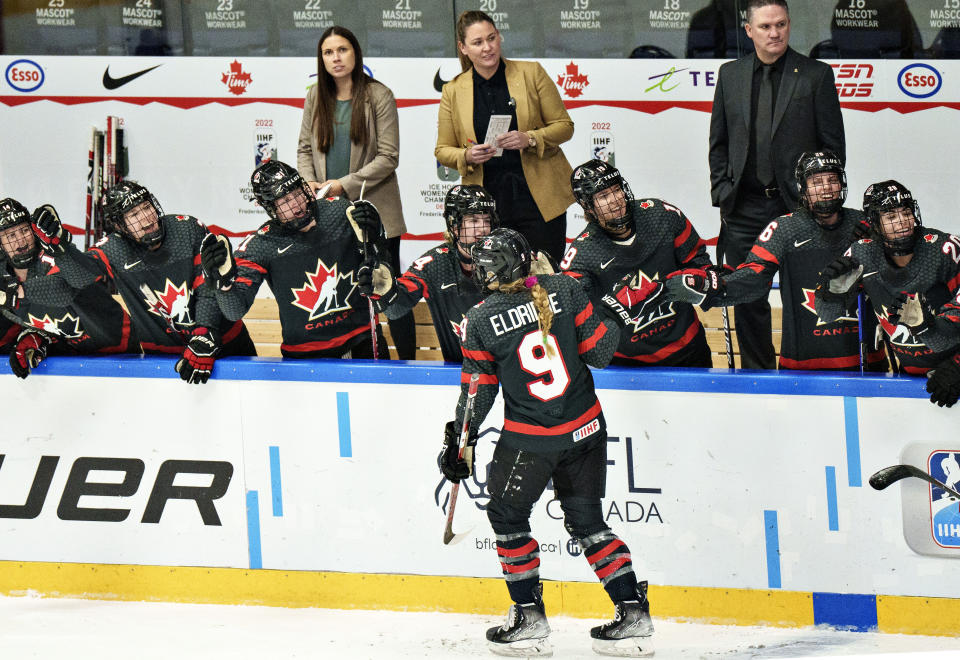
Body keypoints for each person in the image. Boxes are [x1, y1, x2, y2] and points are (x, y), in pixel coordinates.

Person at [440, 228, 654, 658]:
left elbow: (478, 392)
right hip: (587, 430)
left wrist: (459, 443)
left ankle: (529, 616)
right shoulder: (564, 288)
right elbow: (600, 352)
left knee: (507, 516)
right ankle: (633, 611)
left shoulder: (480, 318)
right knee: (588, 522)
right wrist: (615, 311)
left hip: (532, 442)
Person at [709, 0, 845, 369]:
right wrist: (722, 192)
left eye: (781, 24)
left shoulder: (815, 75)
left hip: (799, 208)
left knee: (803, 295)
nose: (775, 33)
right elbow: (718, 142)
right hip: (743, 207)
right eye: (766, 26)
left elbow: (833, 146)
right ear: (749, 30)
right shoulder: (730, 74)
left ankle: (804, 369)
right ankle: (759, 377)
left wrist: (820, 200)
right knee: (747, 299)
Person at [663, 152, 887, 371]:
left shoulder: (865, 222)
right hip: (803, 367)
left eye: (832, 180)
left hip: (868, 365)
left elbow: (903, 271)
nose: (826, 187)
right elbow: (754, 276)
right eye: (817, 181)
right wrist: (714, 287)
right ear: (803, 188)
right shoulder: (784, 229)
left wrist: (879, 243)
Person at [47, 182, 256, 384]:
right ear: (120, 226)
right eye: (134, 215)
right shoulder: (114, 248)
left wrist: (204, 334)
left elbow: (207, 285)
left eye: (146, 207)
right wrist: (61, 248)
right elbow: (79, 277)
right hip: (164, 358)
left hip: (225, 343)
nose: (146, 216)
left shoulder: (186, 228)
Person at [297, 25, 415, 360]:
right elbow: (304, 149)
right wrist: (312, 183)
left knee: (389, 289)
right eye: (328, 52)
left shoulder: (379, 95)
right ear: (321, 59)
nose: (336, 58)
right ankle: (369, 363)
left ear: (355, 53)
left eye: (342, 50)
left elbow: (388, 157)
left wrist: (342, 185)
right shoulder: (314, 96)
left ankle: (408, 363)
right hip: (329, 213)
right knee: (347, 293)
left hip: (376, 213)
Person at [200, 160, 387, 359]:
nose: (296, 204)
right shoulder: (261, 244)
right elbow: (234, 312)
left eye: (297, 193)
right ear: (270, 207)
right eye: (285, 201)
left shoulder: (340, 211)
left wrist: (377, 236)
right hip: (305, 355)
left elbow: (381, 267)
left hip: (363, 340)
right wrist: (225, 284)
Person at [435, 10, 575, 264]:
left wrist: (530, 138)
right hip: (487, 206)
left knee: (546, 277)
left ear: (499, 37)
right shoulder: (453, 90)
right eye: (477, 43)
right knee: (496, 283)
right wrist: (466, 155)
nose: (487, 48)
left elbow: (564, 126)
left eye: (492, 38)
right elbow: (443, 150)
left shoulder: (531, 73)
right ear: (463, 48)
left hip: (539, 200)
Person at [562, 159, 714, 367]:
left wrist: (701, 280)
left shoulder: (663, 215)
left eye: (616, 190)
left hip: (687, 348)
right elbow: (576, 317)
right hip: (627, 365)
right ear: (588, 205)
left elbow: (699, 261)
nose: (615, 200)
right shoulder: (581, 256)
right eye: (604, 196)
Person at [815, 181, 960, 375]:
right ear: (874, 223)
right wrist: (830, 295)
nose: (902, 221)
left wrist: (957, 367)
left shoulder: (945, 249)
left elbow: (943, 339)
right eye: (891, 216)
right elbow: (828, 314)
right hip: (907, 374)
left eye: (906, 212)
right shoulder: (862, 253)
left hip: (952, 371)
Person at [0, 198, 138, 379]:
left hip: (127, 351)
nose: (21, 240)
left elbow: (65, 290)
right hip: (78, 361)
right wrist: (39, 338)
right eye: (11, 235)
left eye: (25, 230)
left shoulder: (52, 256)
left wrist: (16, 293)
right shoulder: (4, 275)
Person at [359, 184, 496, 363]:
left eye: (487, 220)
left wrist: (538, 280)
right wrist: (386, 292)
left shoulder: (506, 256)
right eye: (474, 221)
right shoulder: (434, 263)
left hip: (505, 373)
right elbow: (395, 311)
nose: (483, 229)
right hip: (457, 372)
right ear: (454, 225)